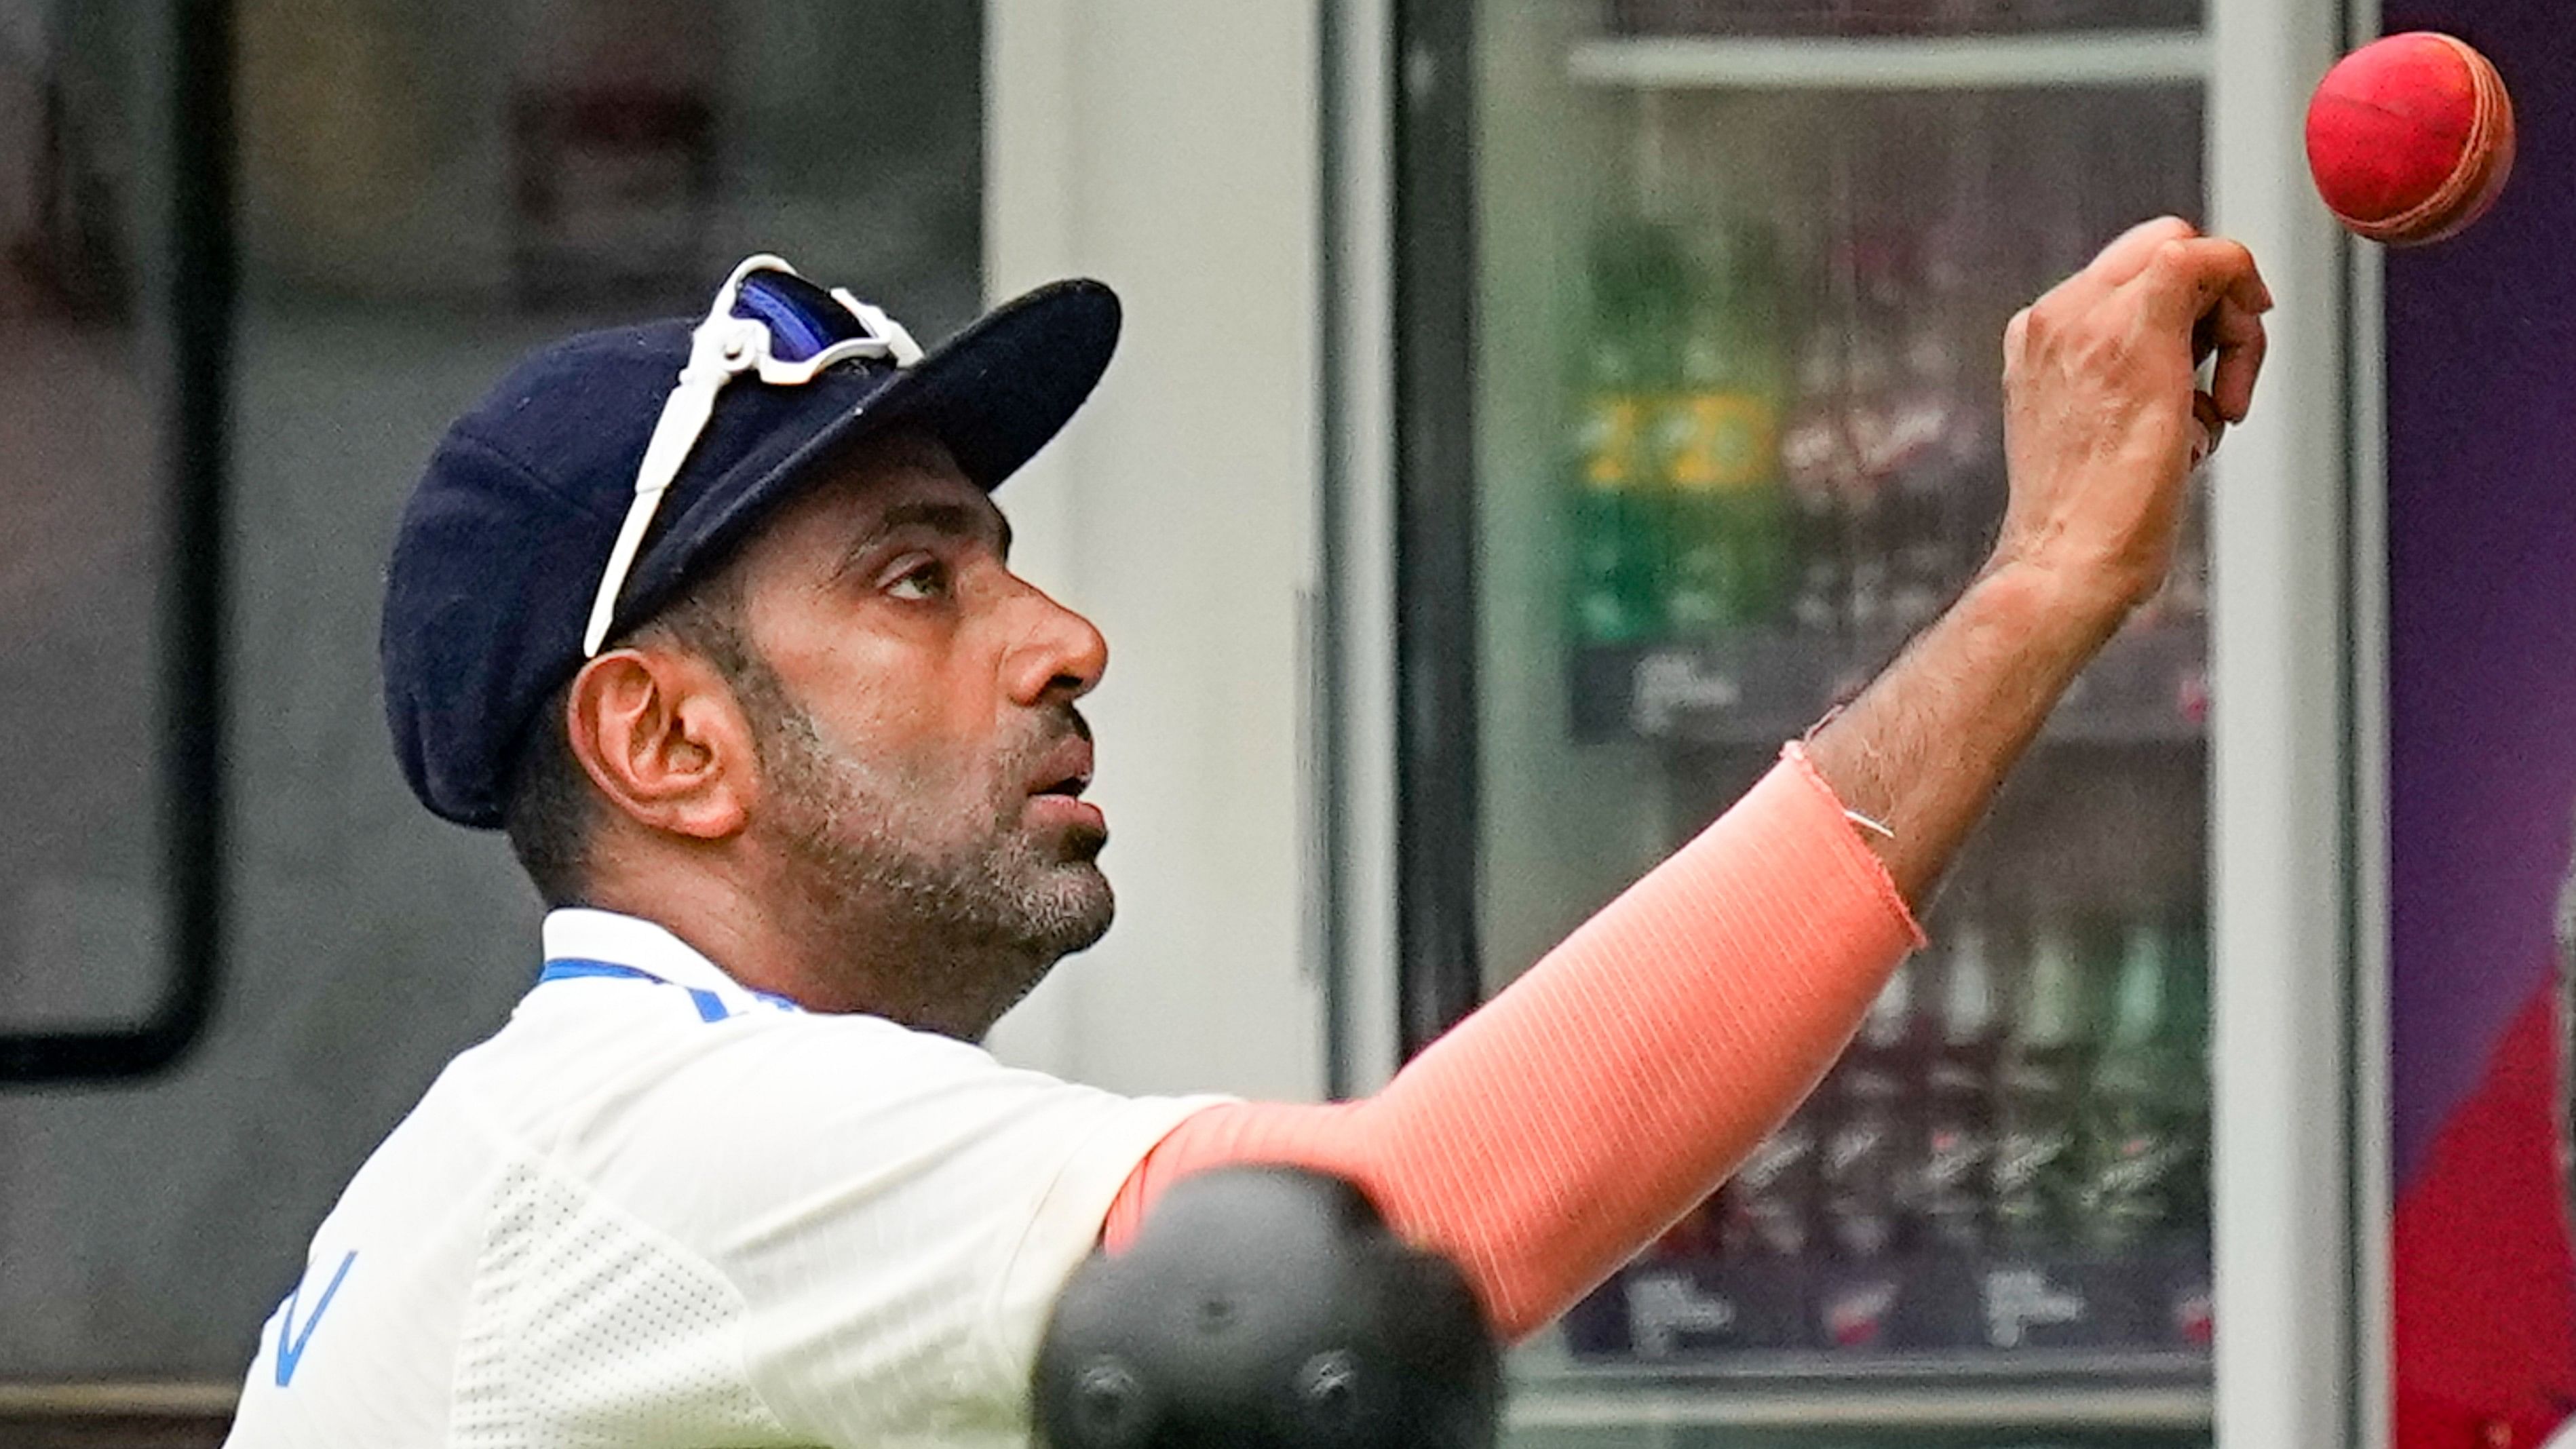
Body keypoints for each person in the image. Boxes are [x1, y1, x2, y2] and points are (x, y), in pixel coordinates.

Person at [221, 218, 2269, 1448]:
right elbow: (1368, 1244)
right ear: (664, 740)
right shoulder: (656, 1140)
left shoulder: (615, 1137)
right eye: (918, 583)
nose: (1063, 639)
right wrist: (2038, 588)